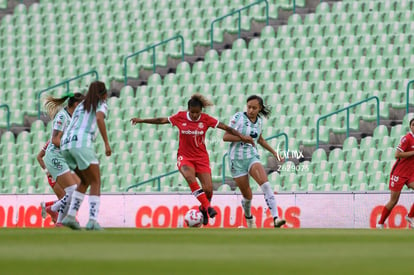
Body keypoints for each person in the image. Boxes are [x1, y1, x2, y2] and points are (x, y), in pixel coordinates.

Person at [130, 93, 254, 225]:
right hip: (185, 157)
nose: (195, 115)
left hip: (201, 158)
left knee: (208, 189)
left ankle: (203, 208)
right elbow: (162, 120)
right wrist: (142, 120)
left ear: (201, 111)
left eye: (197, 112)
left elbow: (226, 127)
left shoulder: (206, 119)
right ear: (188, 110)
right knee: (190, 178)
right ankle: (208, 208)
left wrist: (242, 136)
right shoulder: (180, 117)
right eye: (193, 112)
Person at [223, 95, 286, 228]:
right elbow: (226, 136)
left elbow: (260, 139)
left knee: (266, 185)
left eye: (254, 108)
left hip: (251, 157)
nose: (251, 110)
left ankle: (276, 218)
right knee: (248, 196)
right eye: (249, 107)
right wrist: (243, 138)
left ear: (260, 108)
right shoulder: (238, 117)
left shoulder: (259, 121)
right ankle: (249, 218)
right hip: (236, 161)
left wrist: (274, 152)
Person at [60, 81, 111, 230]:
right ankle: (93, 220)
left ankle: (70, 216)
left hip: (66, 144)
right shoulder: (100, 104)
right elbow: (100, 118)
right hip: (81, 143)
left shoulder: (80, 106)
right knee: (96, 181)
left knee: (84, 180)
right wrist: (106, 143)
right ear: (103, 94)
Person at [40, 92, 84, 226]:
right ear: (76, 105)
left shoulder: (73, 118)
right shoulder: (62, 117)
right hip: (55, 157)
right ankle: (54, 211)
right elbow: (55, 140)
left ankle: (58, 220)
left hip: (63, 157)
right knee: (72, 190)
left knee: (78, 188)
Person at [377, 118, 414, 229]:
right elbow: (397, 155)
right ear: (410, 127)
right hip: (399, 174)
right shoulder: (406, 139)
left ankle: (410, 216)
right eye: (413, 124)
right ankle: (380, 223)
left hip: (410, 174)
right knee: (393, 201)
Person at [37, 141, 63, 224]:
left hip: (62, 173)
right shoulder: (51, 142)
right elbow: (39, 157)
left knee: (65, 199)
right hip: (54, 175)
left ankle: (49, 207)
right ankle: (55, 215)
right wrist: (46, 170)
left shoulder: (63, 140)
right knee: (65, 198)